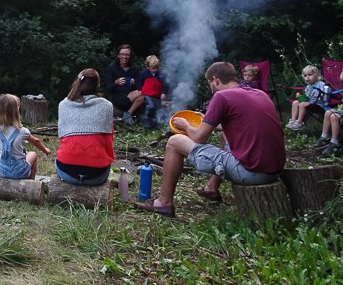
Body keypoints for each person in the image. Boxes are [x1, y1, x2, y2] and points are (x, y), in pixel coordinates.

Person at [134, 62, 285, 218]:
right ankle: (211, 187)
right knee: (224, 135)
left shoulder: (221, 96)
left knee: (174, 142)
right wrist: (207, 119)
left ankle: (163, 203)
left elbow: (199, 137)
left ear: (215, 80)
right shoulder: (258, 93)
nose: (211, 88)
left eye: (210, 84)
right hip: (275, 170)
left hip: (252, 173)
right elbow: (237, 122)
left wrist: (185, 125)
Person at [54, 68, 115, 185]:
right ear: (97, 85)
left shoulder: (63, 105)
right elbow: (108, 141)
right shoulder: (106, 106)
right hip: (97, 175)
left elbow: (62, 138)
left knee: (58, 159)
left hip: (67, 172)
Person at [0, 93, 51, 180]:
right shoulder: (22, 131)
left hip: (2, 171)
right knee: (33, 154)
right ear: (16, 111)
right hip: (19, 172)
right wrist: (45, 150)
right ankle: (31, 182)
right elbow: (36, 141)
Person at [103, 44, 144, 124]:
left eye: (127, 55)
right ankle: (128, 115)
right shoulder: (111, 68)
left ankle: (129, 114)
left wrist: (134, 83)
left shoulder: (134, 69)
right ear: (118, 55)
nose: (125, 57)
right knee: (143, 94)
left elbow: (140, 86)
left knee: (144, 93)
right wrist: (116, 82)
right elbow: (108, 88)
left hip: (132, 99)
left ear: (130, 56)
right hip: (118, 99)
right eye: (122, 54)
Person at [286, 65, 330, 130]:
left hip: (318, 104)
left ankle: (300, 123)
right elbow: (307, 97)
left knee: (302, 104)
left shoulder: (321, 84)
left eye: (310, 75)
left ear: (316, 75)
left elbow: (325, 96)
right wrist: (301, 97)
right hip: (309, 103)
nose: (307, 77)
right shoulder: (308, 87)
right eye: (305, 76)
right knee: (295, 102)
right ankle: (293, 121)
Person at [138, 55, 169, 129]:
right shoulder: (144, 74)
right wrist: (139, 90)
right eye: (153, 68)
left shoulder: (161, 75)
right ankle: (147, 122)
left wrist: (164, 93)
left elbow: (166, 85)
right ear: (147, 67)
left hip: (157, 96)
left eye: (157, 68)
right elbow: (139, 82)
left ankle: (154, 125)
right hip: (147, 95)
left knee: (157, 110)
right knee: (150, 107)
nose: (155, 70)